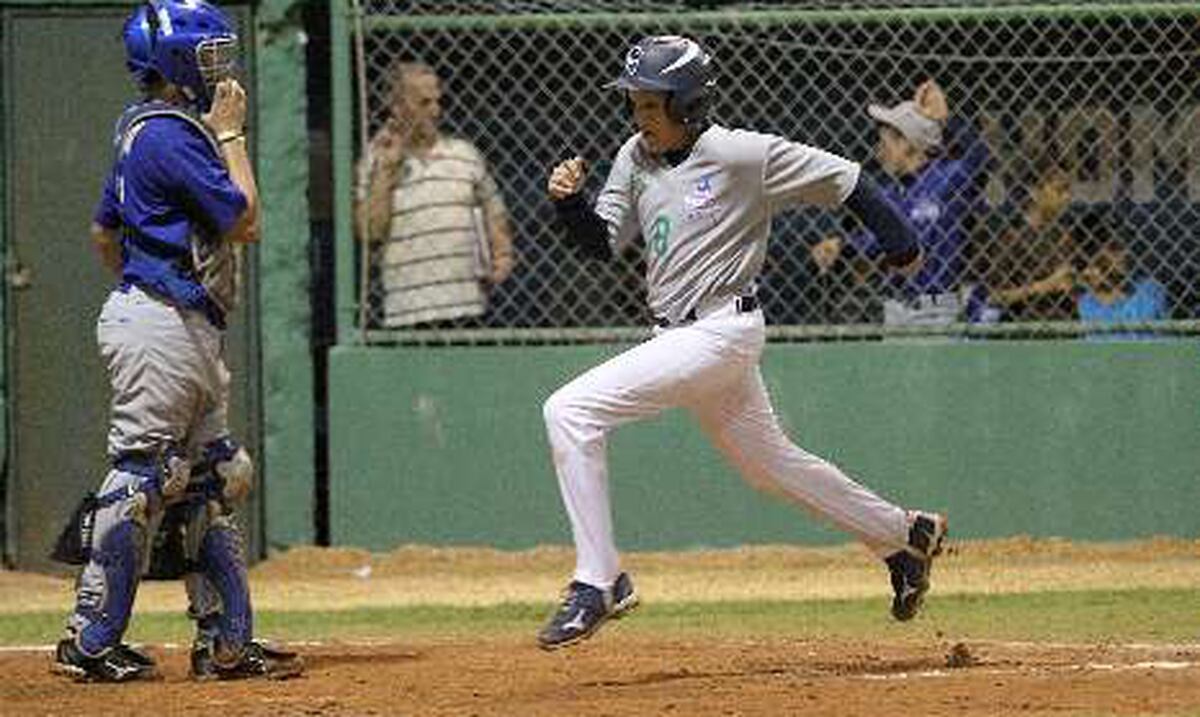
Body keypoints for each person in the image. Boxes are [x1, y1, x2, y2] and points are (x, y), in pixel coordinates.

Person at [537, 35, 948, 651]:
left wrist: (903, 244)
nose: (639, 118)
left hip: (722, 330)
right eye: (635, 105)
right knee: (770, 467)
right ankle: (903, 538)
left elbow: (847, 179)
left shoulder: (739, 153)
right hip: (678, 335)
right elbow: (603, 243)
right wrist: (570, 206)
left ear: (688, 104)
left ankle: (600, 580)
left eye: (652, 105)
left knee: (569, 411)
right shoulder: (634, 155)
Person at [52, 0, 301, 682]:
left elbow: (104, 231)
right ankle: (90, 637)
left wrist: (149, 281)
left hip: (175, 320)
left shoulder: (143, 128)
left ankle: (225, 640)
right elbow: (245, 219)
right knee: (144, 475)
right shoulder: (173, 135)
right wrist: (232, 137)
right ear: (173, 63)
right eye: (207, 52)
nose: (221, 64)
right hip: (162, 323)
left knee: (216, 476)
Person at [810, 79, 990, 326]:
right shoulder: (893, 191)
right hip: (897, 307)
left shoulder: (947, 177)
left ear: (908, 143)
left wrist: (945, 119)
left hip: (939, 306)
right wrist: (843, 245)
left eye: (886, 143)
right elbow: (879, 239)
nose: (879, 153)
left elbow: (980, 156)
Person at [357, 61, 515, 328]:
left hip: (467, 306)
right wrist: (387, 171)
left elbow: (494, 214)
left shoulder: (464, 155)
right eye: (423, 103)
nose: (435, 111)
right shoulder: (376, 159)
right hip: (407, 311)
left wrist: (502, 254)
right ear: (397, 107)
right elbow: (370, 231)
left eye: (436, 101)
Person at [978, 164, 1077, 322]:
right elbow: (994, 297)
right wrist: (1045, 286)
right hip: (1025, 324)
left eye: (1069, 191)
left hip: (1065, 321)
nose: (1067, 197)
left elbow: (1068, 283)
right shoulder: (1012, 236)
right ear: (1036, 192)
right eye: (1060, 190)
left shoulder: (1063, 234)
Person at [1073, 210, 1167, 339]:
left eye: (1126, 245)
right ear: (1093, 253)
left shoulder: (1150, 291)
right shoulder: (1084, 302)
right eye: (1114, 248)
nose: (1125, 254)